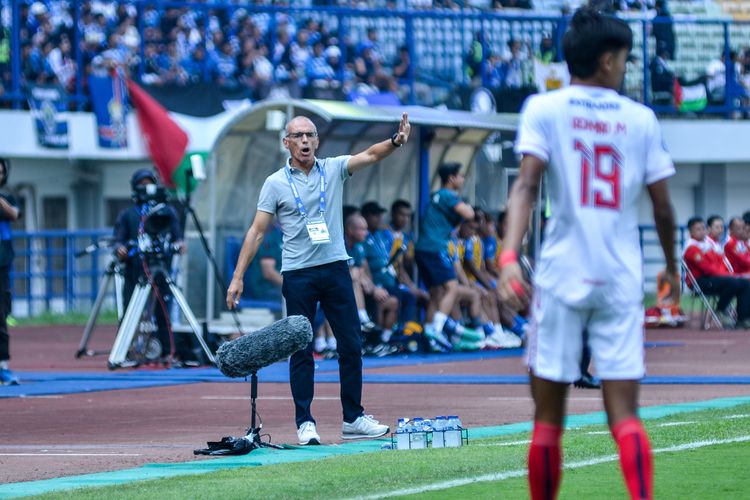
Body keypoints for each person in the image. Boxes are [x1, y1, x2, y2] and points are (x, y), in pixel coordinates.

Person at [498, 8, 680, 500]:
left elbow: (526, 186)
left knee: (548, 423)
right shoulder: (641, 119)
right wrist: (671, 266)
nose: (625, 68)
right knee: (624, 417)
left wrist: (509, 256)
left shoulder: (544, 109)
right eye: (622, 60)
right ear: (605, 61)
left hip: (560, 275)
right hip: (620, 277)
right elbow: (663, 209)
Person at [227, 113, 411, 446]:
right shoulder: (275, 183)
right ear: (287, 143)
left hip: (336, 267)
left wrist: (395, 142)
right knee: (301, 348)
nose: (305, 141)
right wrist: (237, 277)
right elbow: (256, 232)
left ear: (317, 140)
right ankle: (305, 422)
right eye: (298, 136)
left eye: (310, 135)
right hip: (298, 274)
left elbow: (369, 155)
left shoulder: (335, 168)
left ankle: (353, 418)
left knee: (352, 344)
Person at [113, 169, 187, 363]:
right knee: (130, 310)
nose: (146, 189)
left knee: (163, 311)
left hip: (160, 267)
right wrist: (120, 248)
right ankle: (125, 350)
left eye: (149, 184)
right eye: (142, 185)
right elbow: (118, 240)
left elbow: (177, 236)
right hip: (134, 270)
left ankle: (167, 350)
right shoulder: (128, 214)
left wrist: (179, 244)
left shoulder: (167, 212)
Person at [414, 163, 475, 351]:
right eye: (461, 176)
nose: (463, 180)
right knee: (452, 287)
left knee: (436, 293)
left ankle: (430, 337)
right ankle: (438, 328)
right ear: (451, 178)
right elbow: (469, 214)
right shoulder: (449, 195)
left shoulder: (436, 196)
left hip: (422, 248)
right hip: (435, 247)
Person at [683, 216, 750, 328]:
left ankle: (743, 319)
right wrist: (731, 276)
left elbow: (719, 264)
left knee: (745, 283)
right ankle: (720, 310)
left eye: (703, 228)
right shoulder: (692, 247)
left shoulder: (707, 245)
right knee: (734, 282)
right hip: (700, 281)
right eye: (698, 229)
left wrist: (732, 276)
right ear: (690, 232)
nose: (702, 231)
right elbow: (708, 269)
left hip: (713, 278)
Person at [0, 158, 20, 385]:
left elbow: (14, 214)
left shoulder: (8, 196)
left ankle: (3, 366)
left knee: (1, 316)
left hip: (2, 266)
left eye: (1, 172)